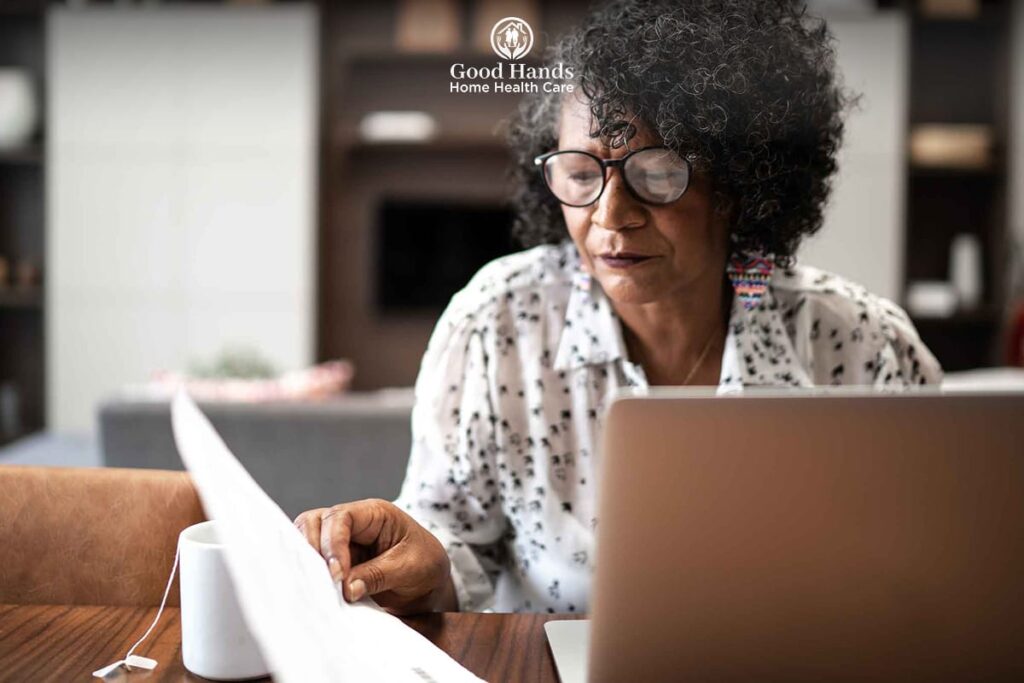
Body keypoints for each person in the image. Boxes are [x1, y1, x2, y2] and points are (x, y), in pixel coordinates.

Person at [295, 0, 942, 615]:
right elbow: (452, 538)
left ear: (739, 184)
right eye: (581, 174)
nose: (610, 215)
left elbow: (931, 570)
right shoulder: (498, 325)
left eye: (656, 173)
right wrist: (421, 558)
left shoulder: (860, 346)